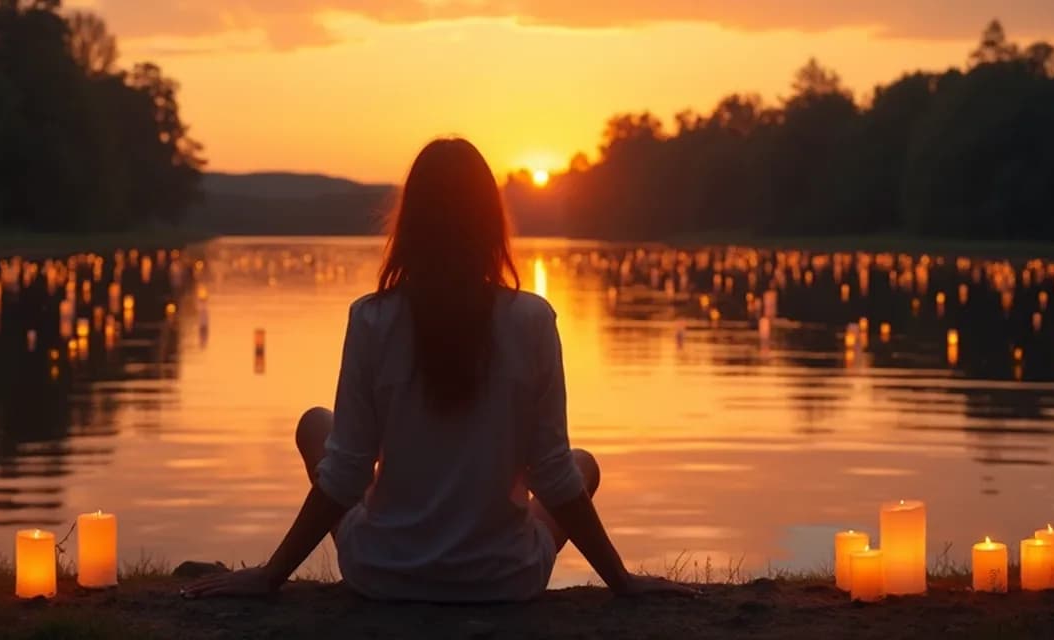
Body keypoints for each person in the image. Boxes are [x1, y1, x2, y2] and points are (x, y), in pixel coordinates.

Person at [183, 138, 695, 601]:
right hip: (503, 578)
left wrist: (270, 576)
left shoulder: (372, 318)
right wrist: (622, 582)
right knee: (581, 463)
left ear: (412, 223)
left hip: (383, 573)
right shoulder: (532, 319)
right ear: (490, 222)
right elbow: (555, 475)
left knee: (315, 425)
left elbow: (345, 475)